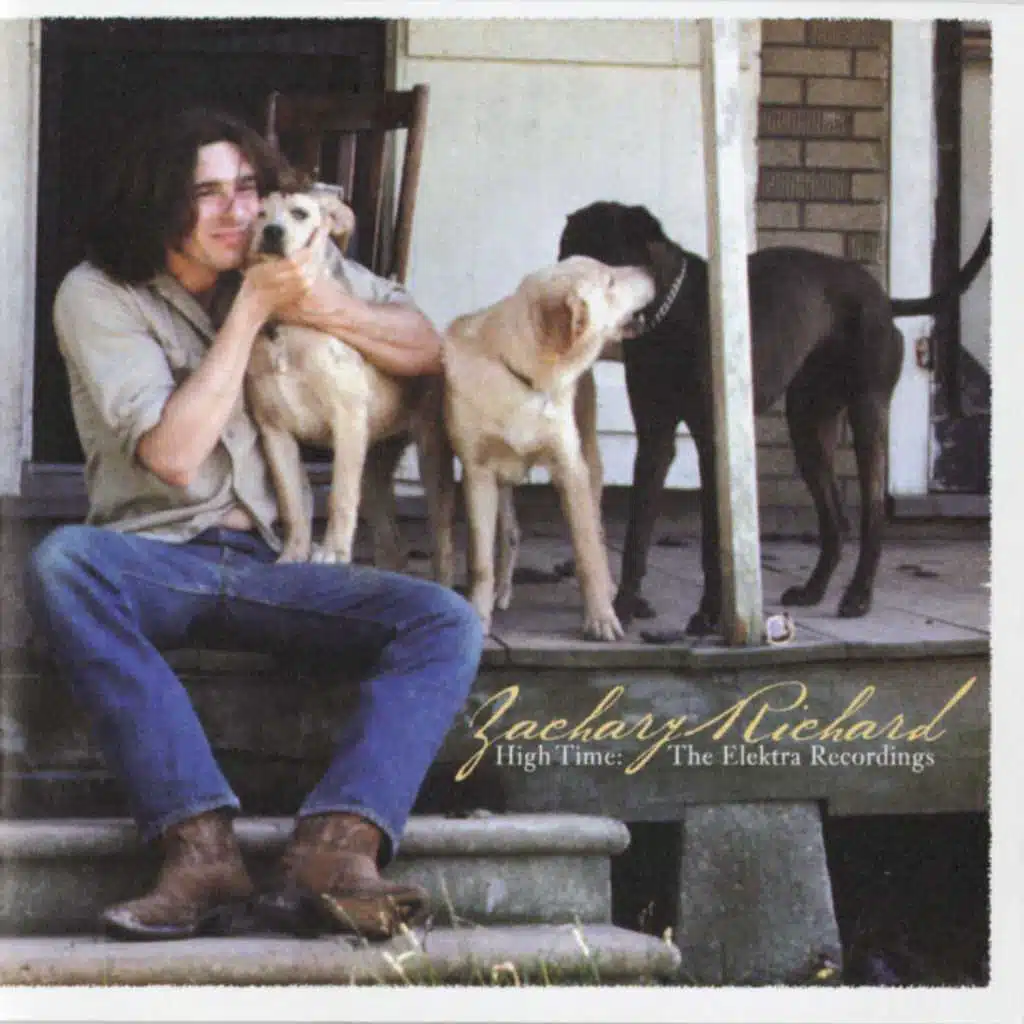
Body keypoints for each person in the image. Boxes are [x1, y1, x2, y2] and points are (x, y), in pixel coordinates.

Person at [25, 108, 484, 943]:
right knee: (64, 564)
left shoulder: (282, 249)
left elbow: (425, 347)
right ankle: (198, 849)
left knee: (445, 620)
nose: (238, 211)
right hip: (156, 558)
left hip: (279, 565)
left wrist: (318, 304)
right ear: (157, 200)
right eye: (206, 193)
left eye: (247, 187)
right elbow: (173, 455)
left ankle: (335, 852)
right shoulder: (97, 293)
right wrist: (248, 314)